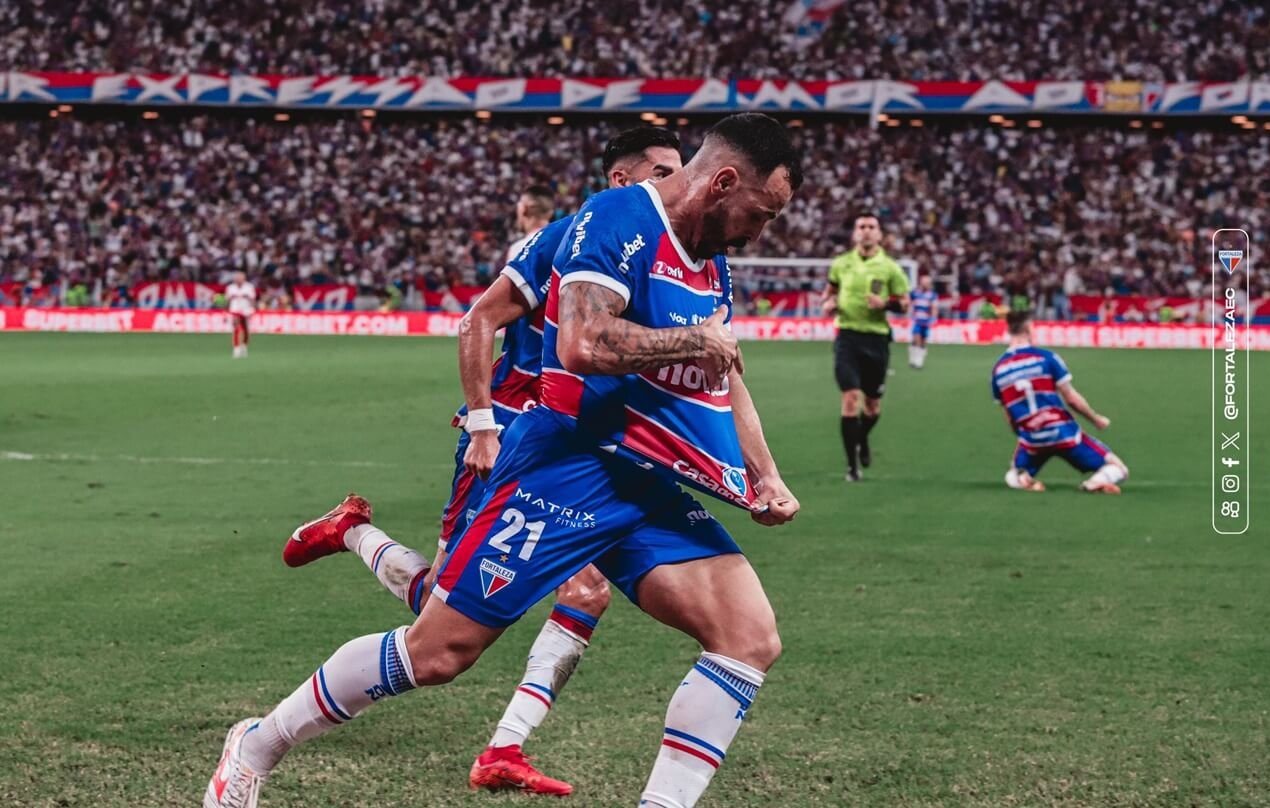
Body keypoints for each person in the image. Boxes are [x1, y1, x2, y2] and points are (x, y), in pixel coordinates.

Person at [204, 112, 802, 808]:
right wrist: (693, 341)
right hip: (566, 467)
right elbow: (581, 342)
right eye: (761, 213)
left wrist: (765, 475)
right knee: (437, 652)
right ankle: (257, 744)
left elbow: (724, 373)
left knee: (748, 637)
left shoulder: (711, 257)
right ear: (724, 182)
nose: (762, 231)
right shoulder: (618, 219)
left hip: (645, 482)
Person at [275, 126, 683, 797]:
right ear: (623, 180)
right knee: (448, 607)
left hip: (568, 448)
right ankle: (353, 533)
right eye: (664, 173)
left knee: (568, 592)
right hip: (513, 436)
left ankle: (503, 747)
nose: (678, 185)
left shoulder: (654, 251)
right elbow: (480, 321)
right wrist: (485, 426)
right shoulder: (568, 239)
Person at [992, 311, 1129, 494]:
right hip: (1063, 433)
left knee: (1013, 475)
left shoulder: (999, 369)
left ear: (1008, 330)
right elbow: (1071, 399)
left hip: (1032, 439)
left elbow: (1010, 416)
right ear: (1029, 328)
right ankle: (1094, 483)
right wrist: (1096, 419)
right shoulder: (1046, 358)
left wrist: (1025, 435)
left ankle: (1023, 479)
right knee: (1119, 469)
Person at [819, 212, 910, 481]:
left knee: (872, 407)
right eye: (862, 226)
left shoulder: (890, 268)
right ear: (855, 233)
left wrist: (886, 304)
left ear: (879, 234)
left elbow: (905, 304)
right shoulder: (841, 264)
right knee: (850, 398)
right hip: (847, 337)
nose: (866, 230)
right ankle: (852, 467)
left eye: (872, 227)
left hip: (876, 340)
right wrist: (828, 304)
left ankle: (862, 437)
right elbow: (829, 294)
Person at [907, 273, 939, 369]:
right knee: (916, 339)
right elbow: (908, 302)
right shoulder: (914, 293)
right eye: (924, 282)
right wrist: (909, 314)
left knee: (923, 341)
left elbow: (934, 307)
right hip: (917, 320)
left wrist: (933, 318)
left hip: (926, 321)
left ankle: (919, 360)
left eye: (928, 283)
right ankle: (915, 360)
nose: (926, 284)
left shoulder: (932, 295)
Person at [225, 271, 257, 358]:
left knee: (245, 329)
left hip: (246, 310)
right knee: (236, 328)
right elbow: (227, 300)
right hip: (235, 309)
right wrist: (226, 308)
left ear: (244, 278)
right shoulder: (230, 287)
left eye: (240, 278)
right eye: (237, 278)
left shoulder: (249, 287)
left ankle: (244, 346)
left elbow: (253, 299)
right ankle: (236, 348)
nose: (238, 279)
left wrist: (251, 305)